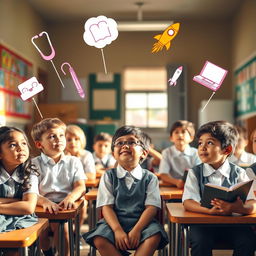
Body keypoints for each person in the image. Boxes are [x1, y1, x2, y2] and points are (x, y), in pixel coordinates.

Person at [83, 125, 168, 256]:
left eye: (131, 142)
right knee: (99, 239)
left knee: (154, 236)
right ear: (113, 154)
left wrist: (137, 230)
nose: (125, 146)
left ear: (144, 153)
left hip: (142, 223)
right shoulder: (108, 176)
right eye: (120, 143)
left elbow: (151, 208)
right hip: (114, 223)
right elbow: (106, 207)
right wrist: (117, 230)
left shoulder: (150, 177)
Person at [183, 121, 256, 256]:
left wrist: (237, 208)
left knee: (247, 240)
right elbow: (188, 201)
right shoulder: (194, 172)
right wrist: (209, 211)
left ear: (227, 150)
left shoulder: (240, 173)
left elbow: (253, 203)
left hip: (233, 225)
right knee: (201, 241)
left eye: (209, 143)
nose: (202, 147)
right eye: (200, 143)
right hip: (203, 225)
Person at [31, 118, 86, 256]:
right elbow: (31, 192)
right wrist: (45, 202)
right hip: (40, 208)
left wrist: (70, 197)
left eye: (61, 135)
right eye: (52, 136)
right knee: (41, 233)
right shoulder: (33, 163)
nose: (59, 139)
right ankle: (48, 252)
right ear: (39, 144)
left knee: (63, 230)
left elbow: (80, 186)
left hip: (63, 207)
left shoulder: (74, 162)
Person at [0, 126, 39, 256]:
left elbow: (28, 207)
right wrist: (18, 201)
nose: (20, 148)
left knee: (13, 251)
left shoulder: (30, 173)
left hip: (20, 219)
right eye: (12, 145)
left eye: (23, 143)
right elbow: (23, 203)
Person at [65, 124, 95, 229]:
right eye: (69, 139)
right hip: (63, 190)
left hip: (80, 190)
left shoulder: (86, 155)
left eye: (76, 139)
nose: (73, 142)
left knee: (83, 204)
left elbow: (91, 176)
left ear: (81, 140)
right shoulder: (61, 156)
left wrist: (75, 178)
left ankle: (76, 231)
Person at [158, 120, 200, 188]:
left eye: (183, 132)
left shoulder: (197, 153)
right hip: (173, 186)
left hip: (192, 186)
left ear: (191, 138)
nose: (180, 135)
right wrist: (177, 182)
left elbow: (199, 173)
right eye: (176, 132)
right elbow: (163, 174)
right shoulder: (166, 152)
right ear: (171, 138)